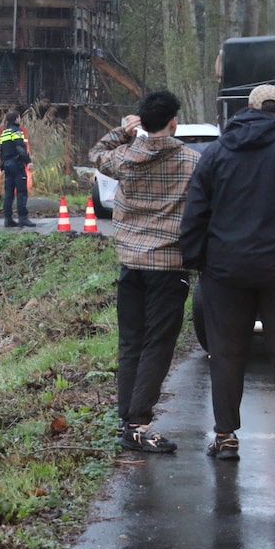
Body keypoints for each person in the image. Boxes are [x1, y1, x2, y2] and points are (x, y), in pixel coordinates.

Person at [180, 84, 275, 462]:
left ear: (246, 109)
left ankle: (225, 436)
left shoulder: (215, 154)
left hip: (225, 270)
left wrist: (197, 259)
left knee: (226, 352)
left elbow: (195, 210)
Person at [88, 90, 200, 453]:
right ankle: (138, 422)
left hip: (131, 264)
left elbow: (95, 154)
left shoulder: (124, 158)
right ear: (173, 122)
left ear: (142, 122)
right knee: (158, 344)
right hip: (169, 265)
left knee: (131, 342)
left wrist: (123, 131)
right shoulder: (191, 161)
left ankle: (127, 419)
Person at [0, 110, 34, 227]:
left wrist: (2, 165)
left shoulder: (4, 133)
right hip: (16, 164)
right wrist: (28, 161)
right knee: (21, 191)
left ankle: (8, 219)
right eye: (19, 118)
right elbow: (20, 147)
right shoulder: (17, 132)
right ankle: (23, 218)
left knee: (9, 193)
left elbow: (1, 151)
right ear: (17, 119)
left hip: (6, 164)